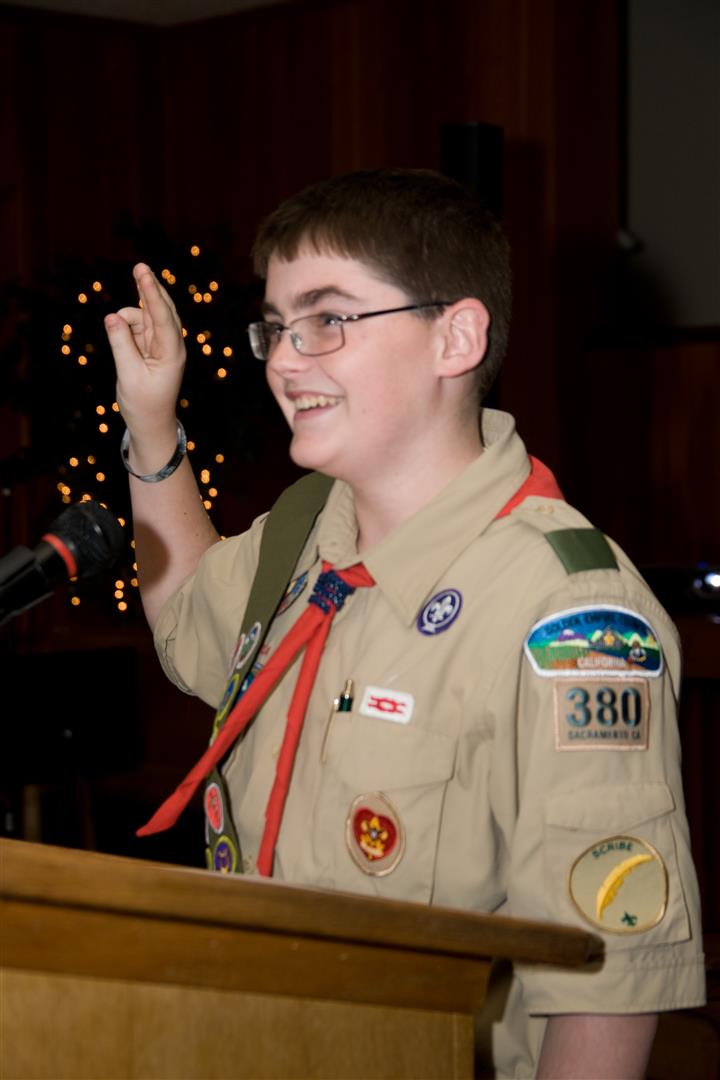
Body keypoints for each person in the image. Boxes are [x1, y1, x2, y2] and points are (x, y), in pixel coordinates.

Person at [104, 168, 705, 1078]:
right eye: (277, 325)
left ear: (455, 337)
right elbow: (190, 616)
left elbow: (605, 986)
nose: (283, 360)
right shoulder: (306, 533)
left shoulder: (571, 611)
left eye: (327, 320)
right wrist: (151, 426)